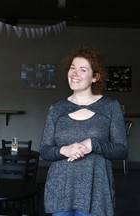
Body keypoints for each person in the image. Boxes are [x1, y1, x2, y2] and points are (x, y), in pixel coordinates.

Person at [39, 46, 128, 216]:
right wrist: (65, 150)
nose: (74, 73)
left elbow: (122, 150)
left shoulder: (110, 107)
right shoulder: (57, 108)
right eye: (72, 68)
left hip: (96, 192)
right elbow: (44, 150)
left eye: (82, 69)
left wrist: (92, 144)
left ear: (95, 77)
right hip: (60, 190)